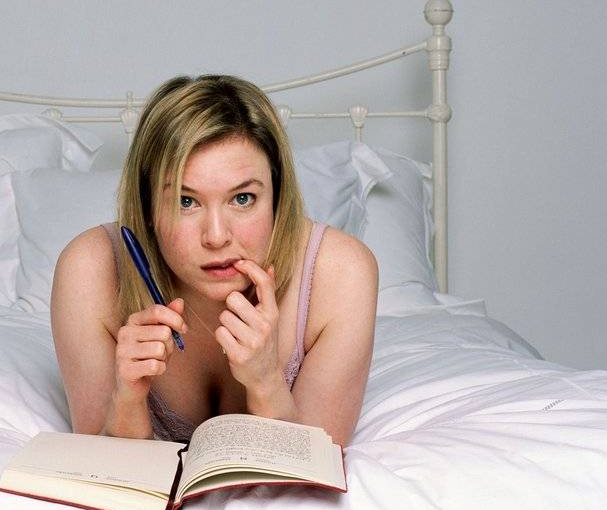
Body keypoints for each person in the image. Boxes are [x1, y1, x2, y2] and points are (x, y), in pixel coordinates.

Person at [51, 74, 377, 446]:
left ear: (277, 195)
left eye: (243, 199)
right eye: (186, 201)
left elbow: (316, 466)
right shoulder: (89, 271)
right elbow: (99, 468)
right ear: (147, 207)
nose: (217, 236)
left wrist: (266, 382)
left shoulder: (341, 273)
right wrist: (127, 401)